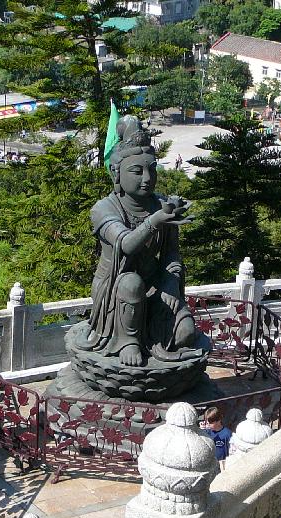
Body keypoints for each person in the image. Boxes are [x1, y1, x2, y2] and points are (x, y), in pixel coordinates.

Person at [75, 115, 199, 366]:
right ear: (116, 173)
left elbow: (172, 255)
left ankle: (156, 336)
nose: (146, 178)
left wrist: (170, 284)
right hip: (115, 292)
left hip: (155, 286)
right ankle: (128, 340)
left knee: (185, 333)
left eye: (152, 169)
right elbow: (127, 245)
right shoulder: (104, 209)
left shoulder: (161, 205)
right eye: (137, 171)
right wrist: (155, 221)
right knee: (131, 282)